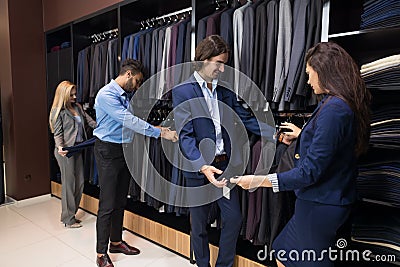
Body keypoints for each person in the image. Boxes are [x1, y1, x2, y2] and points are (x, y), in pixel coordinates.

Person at [231, 42, 371, 267]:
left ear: (324, 71)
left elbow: (309, 173)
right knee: (282, 251)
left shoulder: (334, 110)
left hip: (321, 203)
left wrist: (260, 180)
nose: (307, 81)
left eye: (309, 74)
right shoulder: (334, 104)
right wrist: (302, 134)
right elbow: (330, 144)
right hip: (319, 200)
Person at [172, 35, 274, 267]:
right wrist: (201, 165)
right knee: (198, 225)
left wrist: (274, 134)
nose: (222, 68)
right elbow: (185, 136)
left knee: (233, 217)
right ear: (202, 60)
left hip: (224, 166)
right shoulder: (183, 91)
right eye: (218, 62)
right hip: (199, 170)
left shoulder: (224, 90)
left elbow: (246, 118)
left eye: (224, 63)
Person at [93, 59, 178, 267]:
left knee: (121, 199)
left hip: (124, 150)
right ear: (129, 74)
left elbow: (133, 120)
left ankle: (116, 241)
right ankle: (100, 253)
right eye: (138, 81)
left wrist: (157, 126)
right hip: (108, 151)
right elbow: (128, 120)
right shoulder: (106, 95)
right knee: (107, 203)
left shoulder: (126, 96)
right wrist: (159, 133)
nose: (138, 86)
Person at [49, 80, 97, 228]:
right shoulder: (58, 111)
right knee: (69, 185)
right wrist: (60, 147)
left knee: (80, 182)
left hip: (78, 148)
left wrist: (106, 128)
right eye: (71, 95)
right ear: (63, 95)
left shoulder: (78, 107)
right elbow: (57, 134)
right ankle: (68, 219)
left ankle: (72, 214)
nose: (75, 97)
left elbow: (92, 123)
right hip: (65, 151)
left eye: (75, 94)